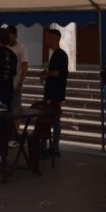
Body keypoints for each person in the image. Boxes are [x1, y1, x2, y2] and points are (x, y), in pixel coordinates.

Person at [38, 28, 68, 156]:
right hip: (54, 92)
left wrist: (46, 74)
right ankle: (51, 147)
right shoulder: (57, 54)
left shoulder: (59, 55)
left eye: (47, 38)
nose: (45, 41)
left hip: (54, 94)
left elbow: (57, 73)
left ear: (53, 39)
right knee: (52, 120)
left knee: (50, 120)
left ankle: (50, 147)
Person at [7, 25, 29, 109]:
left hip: (16, 84)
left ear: (15, 36)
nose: (9, 39)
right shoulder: (6, 47)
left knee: (16, 109)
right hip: (7, 84)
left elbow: (25, 67)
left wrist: (20, 83)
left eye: (11, 36)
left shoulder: (21, 49)